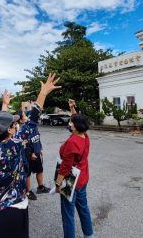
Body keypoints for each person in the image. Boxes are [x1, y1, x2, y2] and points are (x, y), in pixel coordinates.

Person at [0, 73, 61, 238]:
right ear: (10, 130)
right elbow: (32, 120)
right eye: (14, 124)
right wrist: (43, 93)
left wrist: (5, 106)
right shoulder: (13, 145)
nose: (18, 124)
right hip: (12, 208)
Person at [55, 100, 94, 238]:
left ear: (76, 126)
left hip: (71, 181)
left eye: (71, 122)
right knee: (83, 209)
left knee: (68, 214)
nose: (69, 123)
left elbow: (65, 167)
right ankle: (89, 235)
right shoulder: (84, 136)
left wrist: (58, 183)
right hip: (82, 178)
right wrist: (72, 108)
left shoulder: (72, 142)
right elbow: (78, 120)